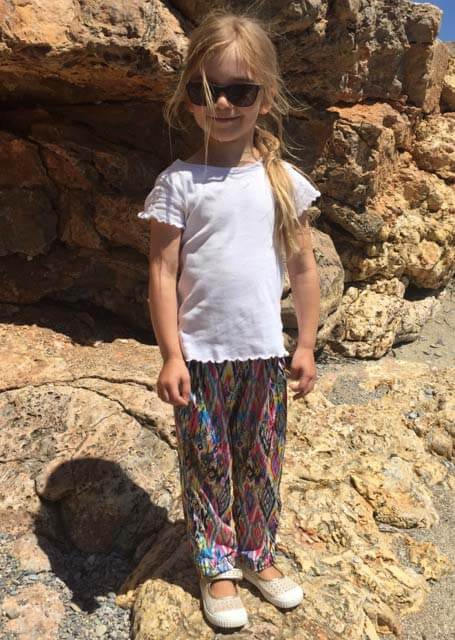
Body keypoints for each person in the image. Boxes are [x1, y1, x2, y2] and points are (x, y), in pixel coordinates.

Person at [137, 9, 321, 630]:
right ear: (188, 98)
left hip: (264, 353)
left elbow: (303, 269)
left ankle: (259, 554)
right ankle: (217, 564)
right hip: (201, 356)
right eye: (206, 89)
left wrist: (306, 343)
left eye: (240, 91)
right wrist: (171, 354)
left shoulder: (282, 180)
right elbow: (162, 272)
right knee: (207, 459)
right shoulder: (178, 183)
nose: (222, 103)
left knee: (263, 459)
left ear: (265, 98)